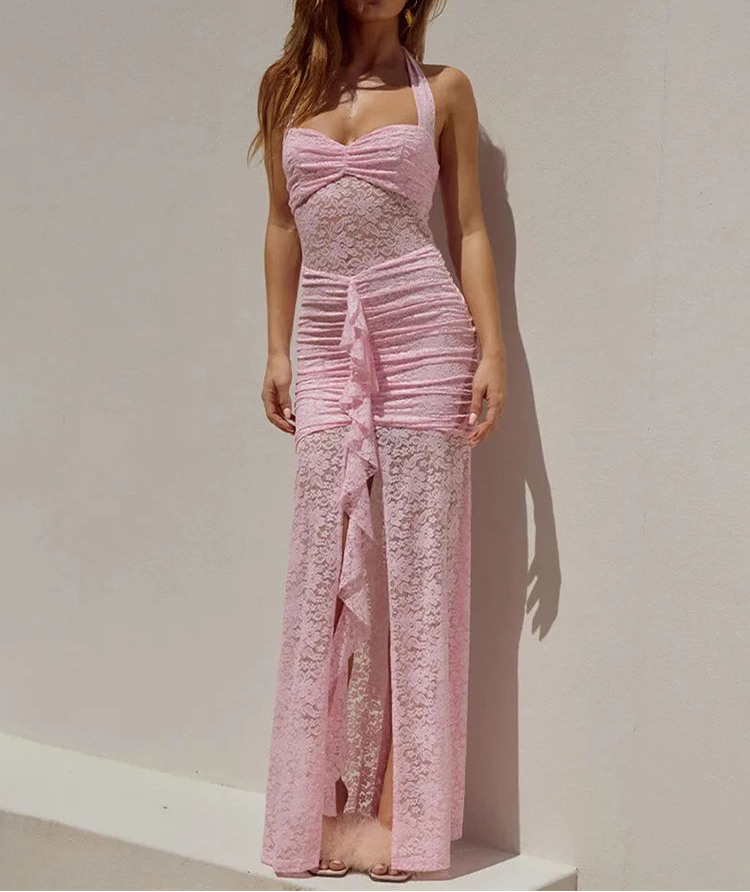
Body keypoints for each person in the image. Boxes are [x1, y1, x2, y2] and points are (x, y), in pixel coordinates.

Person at [250, 0, 506, 882]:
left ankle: (405, 817)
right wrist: (278, 346)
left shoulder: (444, 90)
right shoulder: (285, 89)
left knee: (420, 574)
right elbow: (284, 223)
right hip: (325, 333)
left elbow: (469, 226)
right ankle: (320, 809)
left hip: (424, 331)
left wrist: (492, 347)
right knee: (321, 568)